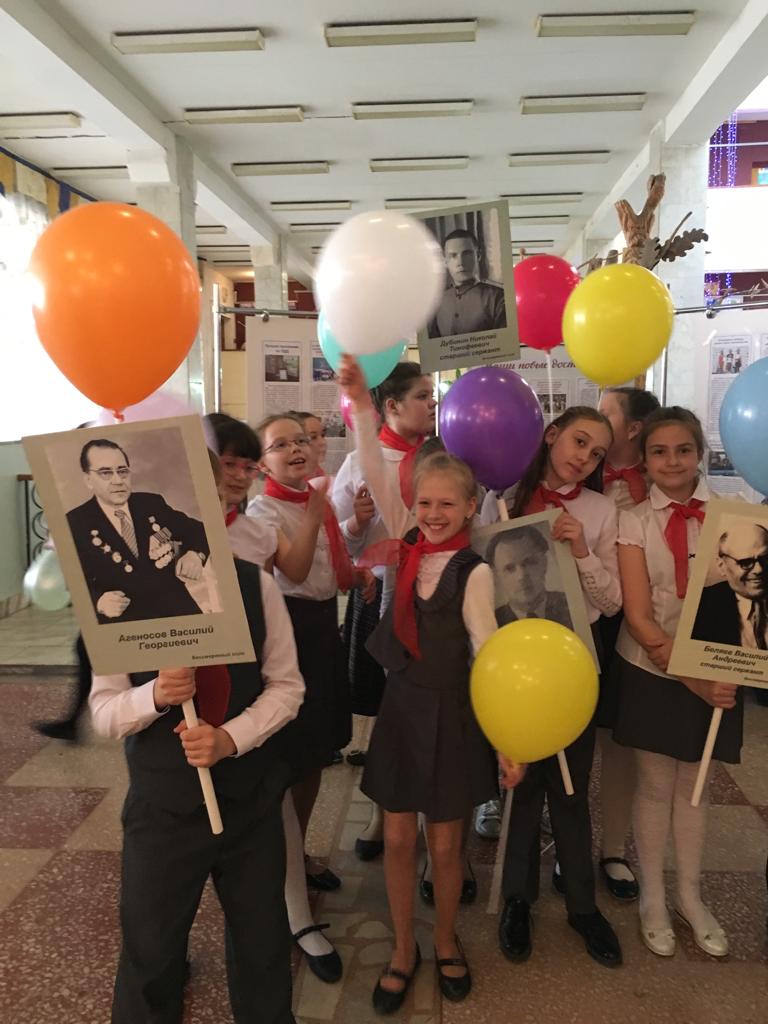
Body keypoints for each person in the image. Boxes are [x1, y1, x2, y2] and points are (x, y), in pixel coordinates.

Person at [89, 450, 305, 1024]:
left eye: (203, 494)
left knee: (262, 946)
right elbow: (104, 712)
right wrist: (155, 695)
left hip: (250, 804)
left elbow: (287, 688)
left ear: (221, 498)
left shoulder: (255, 586)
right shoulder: (117, 599)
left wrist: (231, 738)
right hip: (162, 811)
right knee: (151, 952)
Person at [339, 367, 508, 1011]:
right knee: (398, 837)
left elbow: (487, 654)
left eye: (447, 505)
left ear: (469, 508)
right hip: (403, 709)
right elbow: (370, 462)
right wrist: (359, 403)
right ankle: (403, 946)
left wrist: (507, 739)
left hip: (453, 713)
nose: (434, 515)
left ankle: (444, 939)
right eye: (424, 503)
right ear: (411, 503)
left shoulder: (474, 571)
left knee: (445, 843)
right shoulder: (404, 544)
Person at [482, 406, 624, 969]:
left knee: (571, 788)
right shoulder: (502, 499)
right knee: (521, 786)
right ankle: (518, 899)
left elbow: (610, 601)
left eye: (597, 453)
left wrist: (582, 551)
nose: (584, 458)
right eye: (579, 442)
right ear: (551, 435)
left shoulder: (602, 511)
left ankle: (583, 906)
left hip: (575, 668)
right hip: (515, 671)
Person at [611, 406, 743, 958]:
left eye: (683, 450)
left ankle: (690, 895)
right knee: (654, 784)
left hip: (717, 667)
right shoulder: (633, 521)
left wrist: (726, 672)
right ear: (644, 459)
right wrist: (690, 680)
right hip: (651, 666)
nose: (672, 461)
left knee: (696, 784)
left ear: (699, 454)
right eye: (659, 452)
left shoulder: (735, 517)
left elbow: (750, 605)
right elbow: (639, 617)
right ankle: (652, 898)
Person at [248, 413, 375, 981]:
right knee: (288, 758)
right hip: (289, 636)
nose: (296, 449)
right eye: (280, 445)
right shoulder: (264, 513)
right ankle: (288, 894)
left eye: (302, 440)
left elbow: (333, 573)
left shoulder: (312, 502)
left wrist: (359, 573)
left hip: (325, 630)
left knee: (316, 754)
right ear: (262, 464)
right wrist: (319, 508)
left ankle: (295, 856)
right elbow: (296, 571)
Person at [331, 363, 439, 862]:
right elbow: (341, 543)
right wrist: (357, 523)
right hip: (378, 598)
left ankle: (434, 821)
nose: (432, 404)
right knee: (385, 712)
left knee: (428, 711)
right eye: (422, 396)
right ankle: (382, 812)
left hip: (434, 600)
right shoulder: (362, 461)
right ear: (392, 406)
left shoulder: (442, 459)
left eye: (433, 395)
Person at [593, 385, 660, 901]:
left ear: (633, 428)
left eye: (605, 414)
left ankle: (613, 847)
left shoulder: (659, 482)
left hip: (637, 625)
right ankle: (563, 835)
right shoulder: (577, 470)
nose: (595, 422)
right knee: (567, 734)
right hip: (585, 618)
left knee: (621, 741)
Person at [67, 439, 209, 622]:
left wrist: (195, 555)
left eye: (122, 471)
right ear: (88, 480)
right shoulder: (75, 523)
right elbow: (68, 580)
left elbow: (198, 530)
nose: (118, 480)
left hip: (177, 611)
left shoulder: (151, 504)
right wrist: (98, 602)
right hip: (125, 622)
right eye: (105, 473)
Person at [207, 413, 278, 568]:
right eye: (229, 464)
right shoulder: (176, 529)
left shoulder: (261, 534)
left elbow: (263, 583)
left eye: (249, 468)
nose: (241, 476)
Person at [692, 521, 768, 648]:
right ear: (722, 566)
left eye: (765, 558)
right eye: (746, 562)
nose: (759, 569)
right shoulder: (700, 605)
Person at [485, 525, 572, 628]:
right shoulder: (490, 624)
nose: (521, 576)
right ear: (496, 576)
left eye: (529, 562)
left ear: (544, 562)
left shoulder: (571, 604)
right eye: (509, 568)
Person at [427, 228, 506, 339]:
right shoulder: (436, 302)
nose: (460, 262)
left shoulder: (498, 297)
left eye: (467, 254)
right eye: (453, 255)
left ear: (478, 255)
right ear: (445, 261)